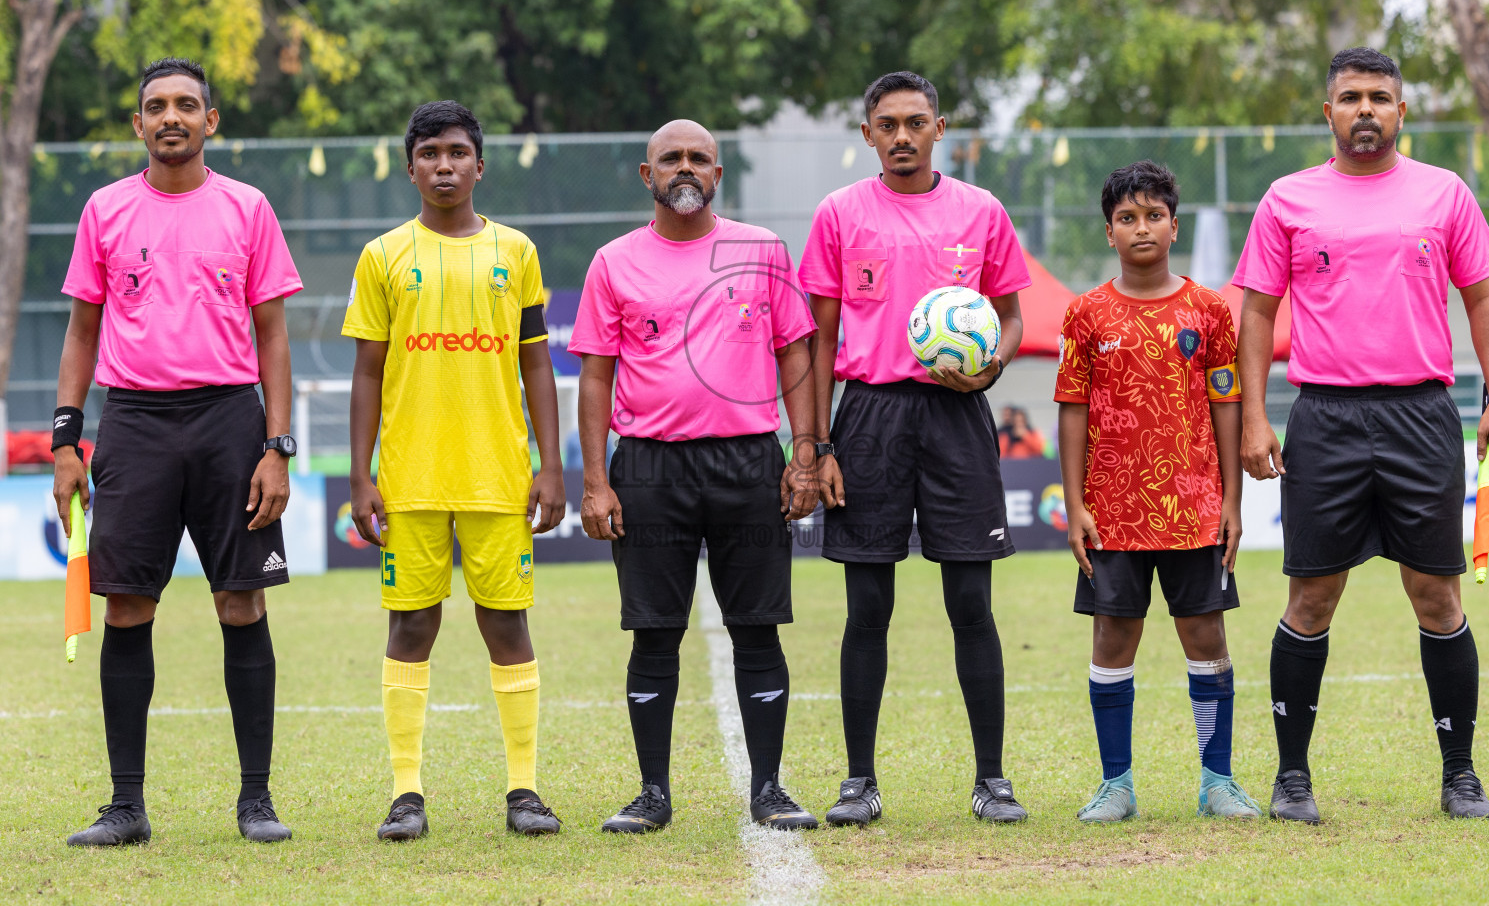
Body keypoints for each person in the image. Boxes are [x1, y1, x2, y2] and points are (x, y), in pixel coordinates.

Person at [1234, 47, 1489, 822]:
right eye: (1351, 97)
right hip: (1323, 417)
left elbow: (1483, 299)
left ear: (1401, 111)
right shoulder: (1288, 199)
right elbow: (1257, 312)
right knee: (1312, 596)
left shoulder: (1444, 193)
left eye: (1380, 98)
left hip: (1423, 415)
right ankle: (1293, 779)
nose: (1366, 109)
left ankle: (1460, 775)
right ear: (1327, 112)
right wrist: (1256, 416)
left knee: (1437, 594)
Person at [53, 58, 302, 846]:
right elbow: (83, 331)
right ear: (138, 125)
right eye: (156, 106)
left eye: (186, 105)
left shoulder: (248, 207)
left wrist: (278, 447)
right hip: (133, 423)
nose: (172, 117)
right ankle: (126, 806)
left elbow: (273, 335)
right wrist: (65, 438)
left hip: (231, 421)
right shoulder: (104, 210)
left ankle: (255, 801)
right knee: (128, 604)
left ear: (210, 120)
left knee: (242, 601)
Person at [571, 119, 821, 833]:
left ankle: (769, 787)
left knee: (757, 629)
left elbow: (795, 355)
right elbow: (595, 375)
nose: (686, 169)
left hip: (747, 460)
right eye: (671, 159)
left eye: (699, 159)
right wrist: (595, 480)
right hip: (649, 465)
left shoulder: (762, 250)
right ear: (646, 176)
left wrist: (803, 455)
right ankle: (652, 792)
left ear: (718, 174)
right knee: (654, 635)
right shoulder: (613, 262)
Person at [798, 71, 1031, 826]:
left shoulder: (981, 211)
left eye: (916, 122)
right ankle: (858, 781)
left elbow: (1011, 316)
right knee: (867, 604)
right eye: (887, 124)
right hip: (868, 417)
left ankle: (992, 779)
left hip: (957, 416)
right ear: (867, 134)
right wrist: (820, 442)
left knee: (971, 600)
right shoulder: (839, 213)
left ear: (940, 128)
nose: (902, 136)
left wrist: (989, 368)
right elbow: (822, 337)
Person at [343, 101, 566, 840]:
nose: (444, 164)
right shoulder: (383, 256)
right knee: (411, 625)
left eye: (458, 152)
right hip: (409, 477)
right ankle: (407, 792)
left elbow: (536, 359)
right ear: (410, 167)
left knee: (506, 623)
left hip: (498, 473)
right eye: (430, 152)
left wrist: (549, 464)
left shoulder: (517, 251)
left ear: (480, 165)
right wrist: (361, 475)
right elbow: (368, 371)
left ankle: (524, 790)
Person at [1057, 161, 1262, 823]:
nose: (1140, 227)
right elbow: (1072, 408)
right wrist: (1075, 503)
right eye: (1126, 217)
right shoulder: (1085, 314)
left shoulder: (1209, 311)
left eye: (1153, 216)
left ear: (1174, 226)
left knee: (1206, 638)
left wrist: (1231, 500)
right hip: (1112, 514)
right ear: (1109, 231)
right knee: (1113, 639)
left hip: (1195, 510)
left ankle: (1217, 781)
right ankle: (1116, 784)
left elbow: (1225, 402)